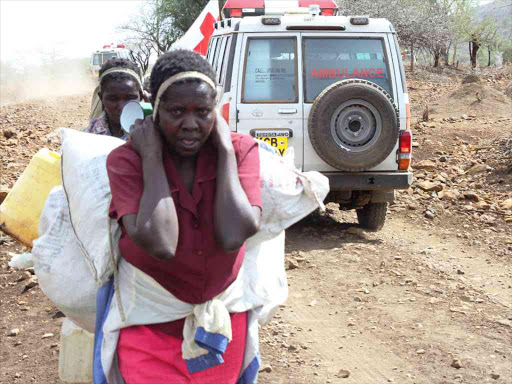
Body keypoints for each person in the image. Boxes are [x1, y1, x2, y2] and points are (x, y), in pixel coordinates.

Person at [105, 49, 262, 383]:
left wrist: (224, 152)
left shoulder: (239, 150)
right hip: (148, 329)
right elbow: (161, 243)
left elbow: (234, 235)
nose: (190, 124)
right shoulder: (127, 161)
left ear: (216, 111)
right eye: (176, 111)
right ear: (154, 107)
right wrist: (151, 157)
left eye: (203, 112)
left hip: (219, 331)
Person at [85, 58, 145, 139]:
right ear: (101, 97)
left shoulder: (153, 132)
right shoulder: (89, 135)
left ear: (141, 96)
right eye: (113, 99)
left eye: (130, 98)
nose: (121, 107)